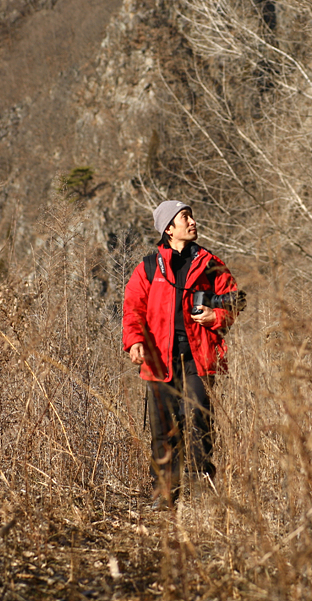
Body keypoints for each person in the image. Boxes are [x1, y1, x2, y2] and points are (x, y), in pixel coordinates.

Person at [122, 201, 244, 508]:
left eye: (190, 216)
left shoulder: (209, 262)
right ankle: (165, 496)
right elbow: (132, 308)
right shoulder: (149, 267)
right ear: (168, 229)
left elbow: (235, 300)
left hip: (199, 356)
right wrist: (134, 341)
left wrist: (215, 316)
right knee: (163, 429)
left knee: (199, 421)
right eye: (184, 218)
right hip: (158, 359)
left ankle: (203, 493)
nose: (192, 222)